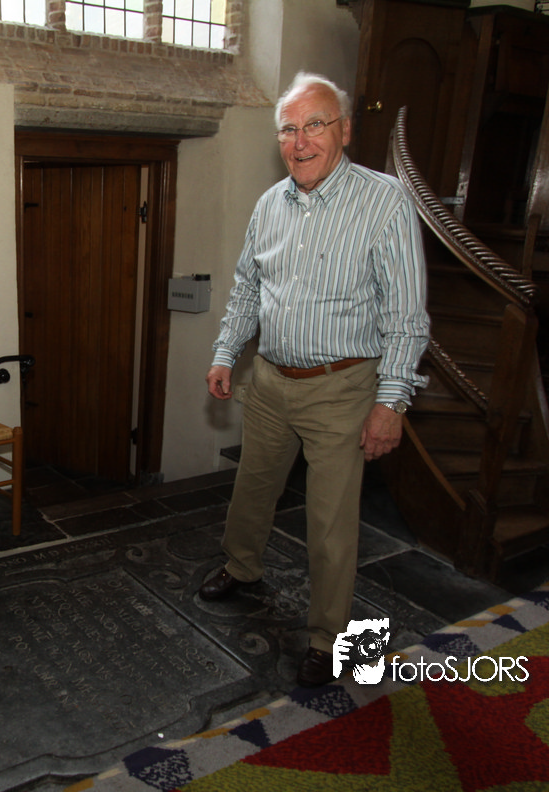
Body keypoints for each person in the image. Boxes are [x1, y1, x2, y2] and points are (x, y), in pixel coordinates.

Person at [198, 72, 429, 688]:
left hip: (342, 390)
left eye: (315, 126)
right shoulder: (269, 205)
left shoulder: (384, 202)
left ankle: (329, 638)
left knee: (330, 522)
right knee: (252, 490)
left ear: (345, 130)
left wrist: (391, 403)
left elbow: (406, 317)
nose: (300, 142)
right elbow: (248, 289)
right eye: (288, 130)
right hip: (270, 381)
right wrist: (225, 353)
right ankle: (242, 567)